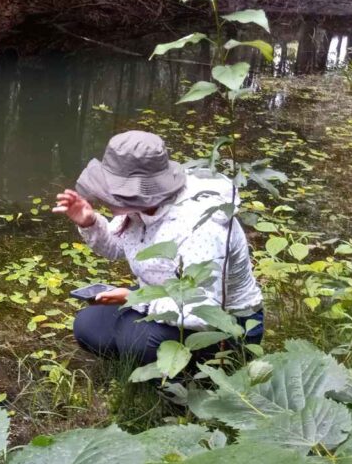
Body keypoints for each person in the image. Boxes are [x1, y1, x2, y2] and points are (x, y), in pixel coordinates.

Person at [53, 130, 264, 365]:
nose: (104, 196)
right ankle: (145, 362)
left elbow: (202, 313)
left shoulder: (200, 226)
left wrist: (134, 298)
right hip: (162, 295)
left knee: (136, 341)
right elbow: (117, 247)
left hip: (226, 327)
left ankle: (197, 378)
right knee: (89, 325)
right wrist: (90, 222)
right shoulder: (141, 208)